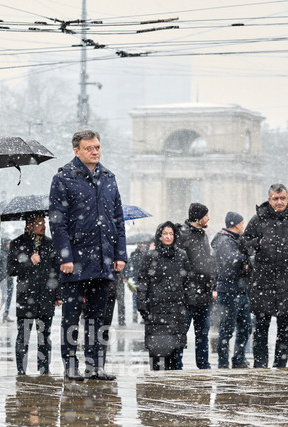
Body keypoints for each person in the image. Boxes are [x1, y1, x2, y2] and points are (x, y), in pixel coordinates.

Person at [49, 129, 127, 381]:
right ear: (76, 151)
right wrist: (66, 258)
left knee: (97, 317)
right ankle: (70, 365)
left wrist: (120, 254)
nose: (95, 151)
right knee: (71, 316)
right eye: (89, 148)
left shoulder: (108, 178)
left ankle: (95, 364)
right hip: (76, 262)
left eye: (97, 147)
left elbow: (118, 220)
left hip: (104, 261)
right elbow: (57, 223)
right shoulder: (63, 179)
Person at [240, 183, 288, 368]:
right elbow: (244, 244)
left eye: (282, 198)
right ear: (269, 199)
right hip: (263, 281)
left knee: (284, 328)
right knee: (261, 327)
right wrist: (258, 242)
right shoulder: (259, 219)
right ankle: (260, 365)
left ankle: (280, 364)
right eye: (276, 198)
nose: (279, 202)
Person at [7, 214, 61, 375]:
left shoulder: (51, 244)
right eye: (39, 223)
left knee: (45, 336)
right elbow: (11, 270)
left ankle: (44, 368)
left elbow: (56, 272)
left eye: (44, 222)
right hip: (25, 298)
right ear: (29, 225)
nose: (43, 226)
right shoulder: (17, 243)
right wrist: (29, 262)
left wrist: (58, 294)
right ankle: (21, 370)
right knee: (23, 336)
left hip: (46, 296)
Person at [136, 222, 192, 370]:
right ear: (159, 235)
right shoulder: (150, 256)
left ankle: (170, 389)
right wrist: (142, 306)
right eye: (165, 234)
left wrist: (186, 304)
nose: (168, 237)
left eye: (171, 234)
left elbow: (188, 282)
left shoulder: (181, 255)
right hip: (156, 311)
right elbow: (143, 282)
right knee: (156, 357)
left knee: (173, 356)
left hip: (176, 311)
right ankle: (156, 388)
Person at [211, 211, 252, 369]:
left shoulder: (236, 239)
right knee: (227, 329)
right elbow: (231, 260)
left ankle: (239, 359)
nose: (243, 226)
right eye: (242, 223)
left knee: (246, 326)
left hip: (241, 290)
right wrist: (247, 257)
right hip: (228, 291)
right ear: (235, 225)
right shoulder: (224, 241)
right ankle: (223, 362)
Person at [177, 202, 215, 369]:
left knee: (203, 334)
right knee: (182, 333)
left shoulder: (203, 234)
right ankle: (177, 364)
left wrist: (211, 283)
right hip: (189, 293)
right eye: (206, 215)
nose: (208, 218)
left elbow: (207, 261)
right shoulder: (182, 235)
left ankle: (204, 364)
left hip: (204, 293)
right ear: (199, 218)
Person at [0, 238, 14, 322]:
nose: (9, 245)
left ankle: (6, 315)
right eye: (8, 243)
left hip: (10, 278)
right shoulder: (0, 254)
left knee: (9, 297)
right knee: (4, 296)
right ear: (4, 244)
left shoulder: (11, 254)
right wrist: (3, 276)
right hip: (3, 279)